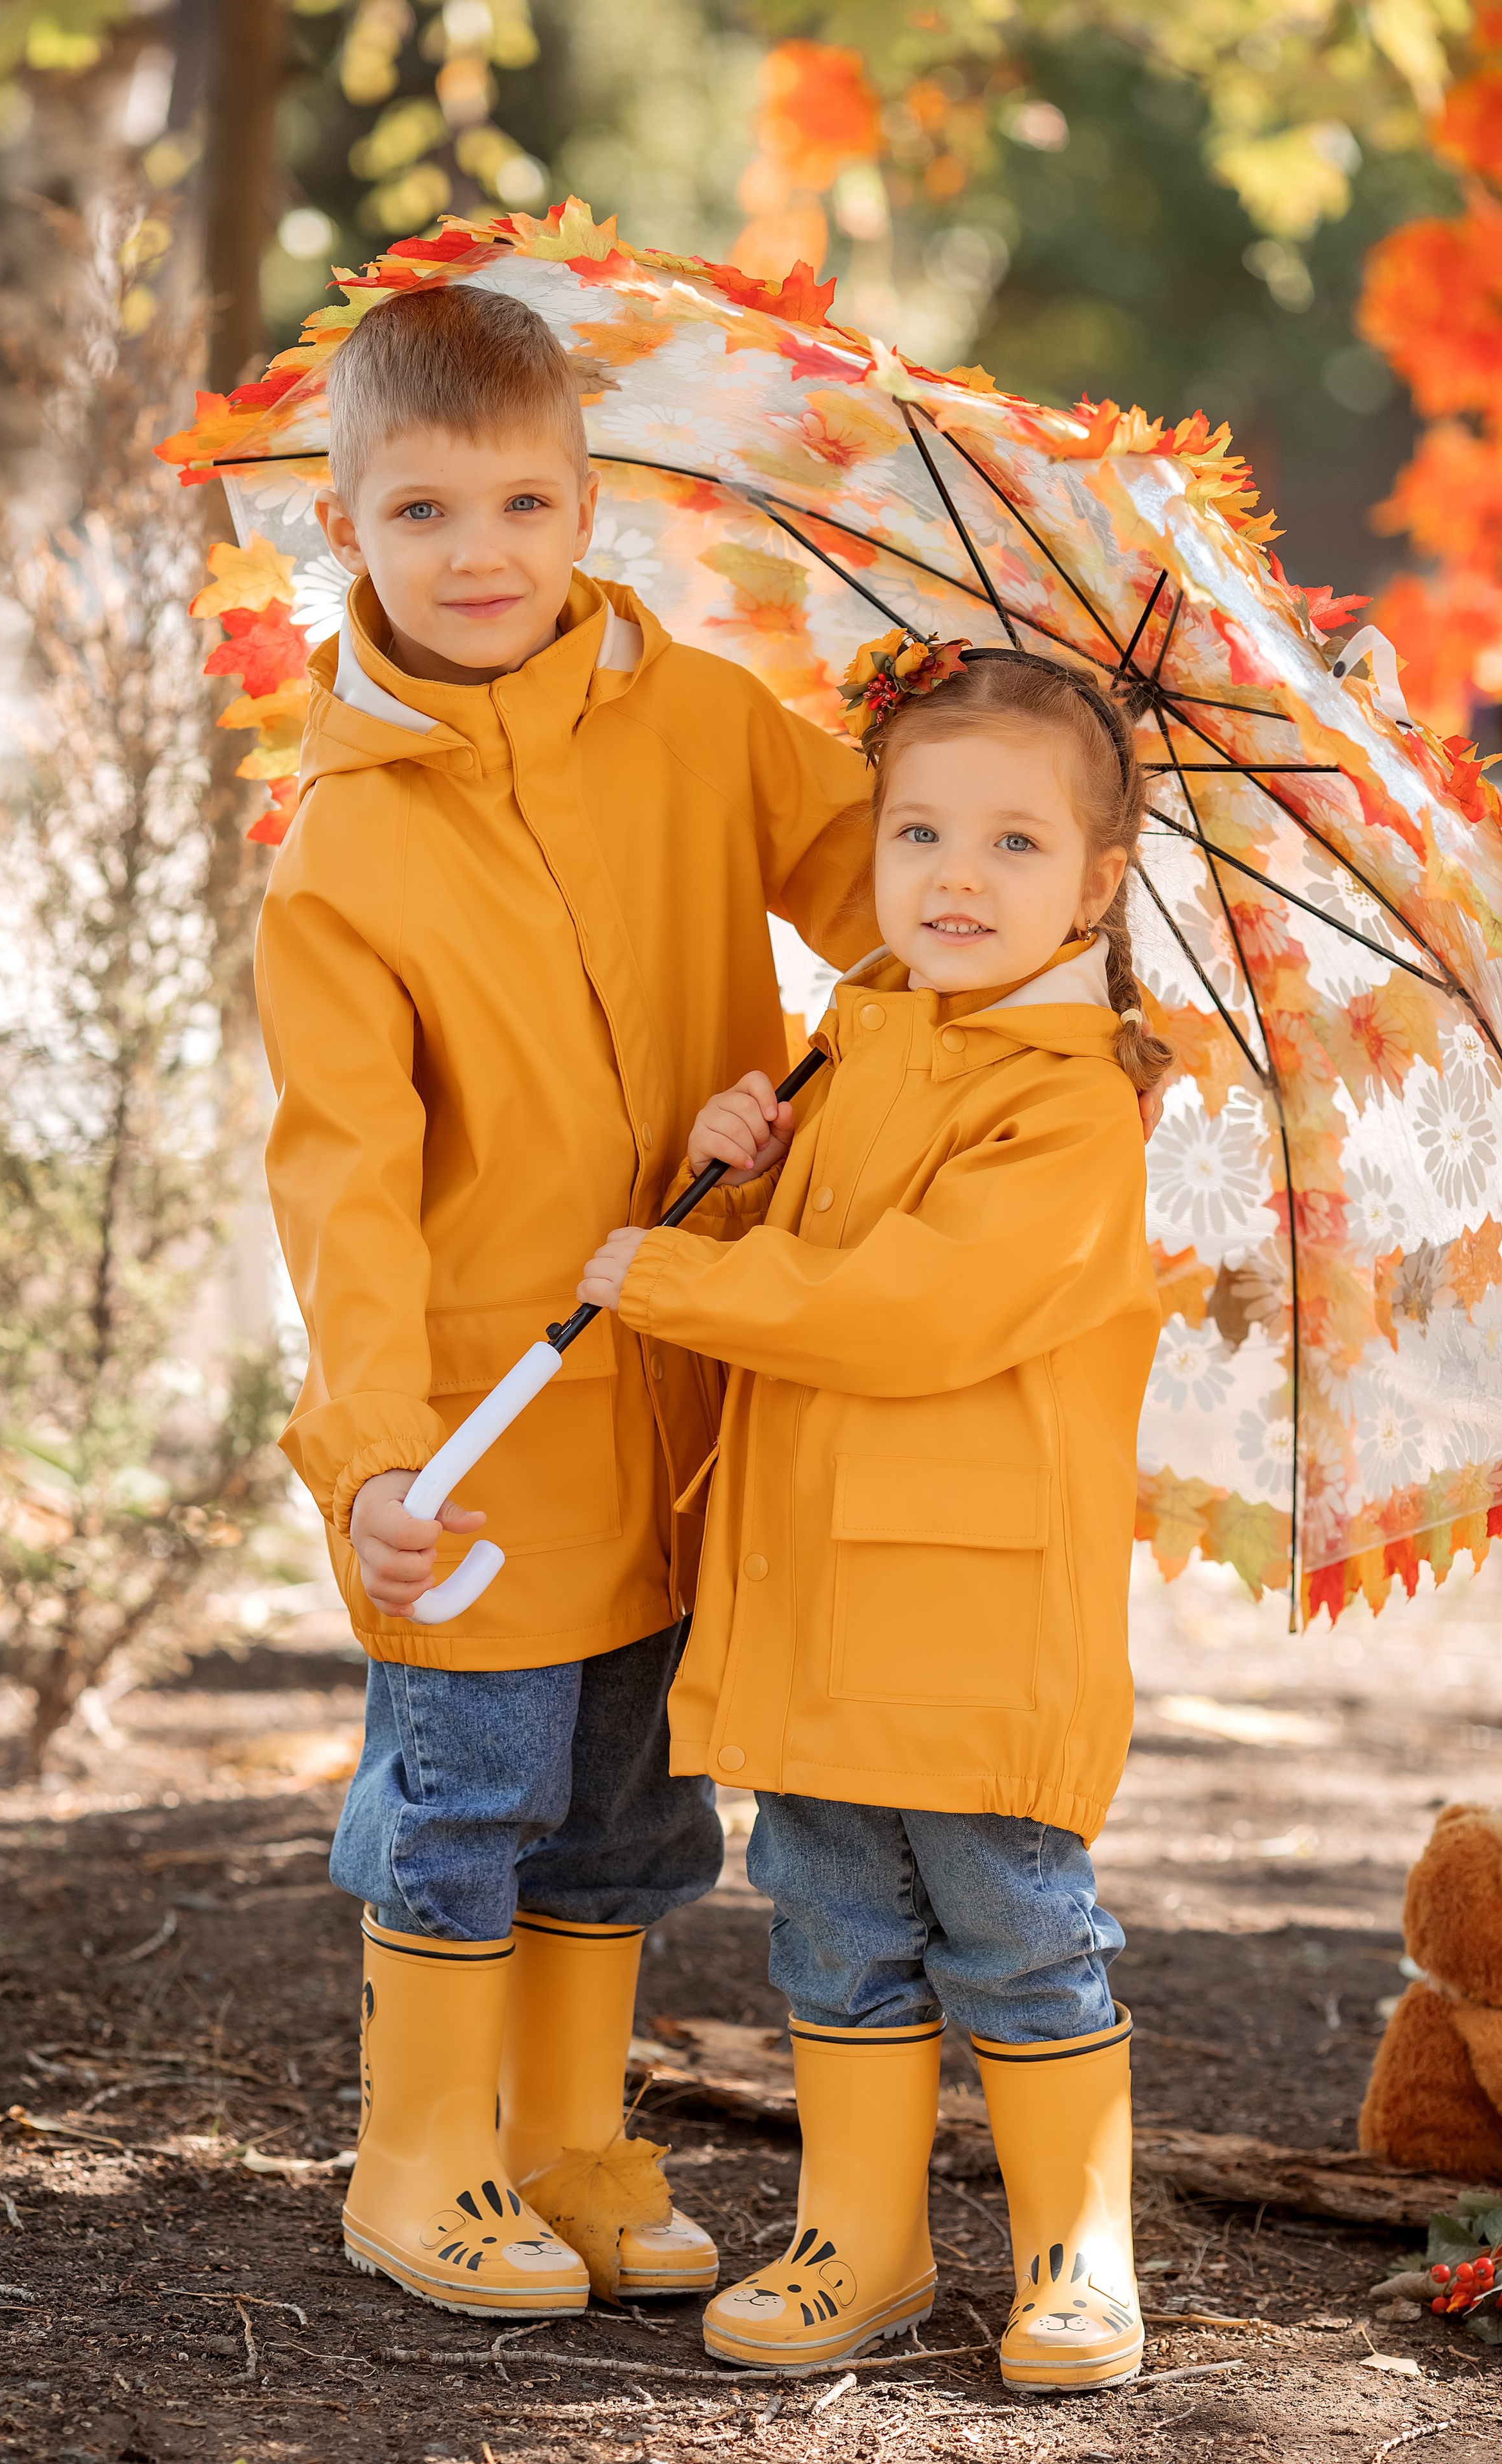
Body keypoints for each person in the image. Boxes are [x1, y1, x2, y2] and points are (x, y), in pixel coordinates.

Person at [254, 281, 885, 2318]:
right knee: (468, 1792)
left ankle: (561, 2139)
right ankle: (419, 2155)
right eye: (425, 511)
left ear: (589, 501)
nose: (482, 556)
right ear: (344, 520)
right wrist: (368, 1455)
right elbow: (341, 1183)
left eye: (524, 504)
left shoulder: (696, 719)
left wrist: (1007, 805)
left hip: (685, 1380)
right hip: (477, 1424)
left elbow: (890, 893)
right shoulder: (347, 846)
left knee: (630, 1806)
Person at [578, 634, 1170, 2387]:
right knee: (832, 1919)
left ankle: (1080, 2252)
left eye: (1013, 843)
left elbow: (912, 1308)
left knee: (1015, 1926)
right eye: (918, 835)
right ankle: (862, 2237)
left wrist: (687, 1282)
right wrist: (740, 1168)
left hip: (975, 1617)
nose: (957, 878)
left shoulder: (1074, 1107)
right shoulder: (856, 1038)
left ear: (1097, 881)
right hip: (818, 1589)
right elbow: (814, 1266)